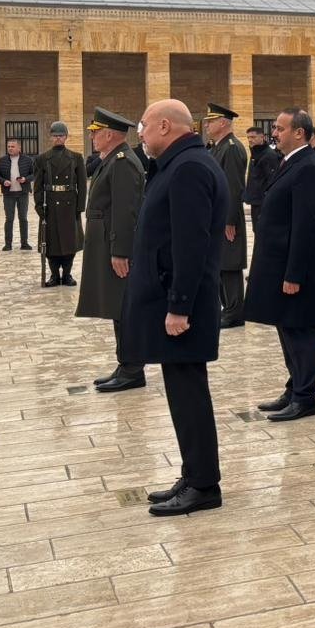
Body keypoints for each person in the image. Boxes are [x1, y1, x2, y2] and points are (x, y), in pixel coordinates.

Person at [127, 98, 229, 517]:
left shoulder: (188, 168)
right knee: (182, 392)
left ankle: (204, 485)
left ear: (165, 126)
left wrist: (179, 306)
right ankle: (193, 472)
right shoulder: (181, 163)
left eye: (145, 127)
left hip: (183, 305)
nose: (142, 135)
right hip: (174, 300)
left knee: (189, 395)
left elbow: (191, 245)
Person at [248, 108, 315, 423]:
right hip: (279, 265)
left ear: (299, 132)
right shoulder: (290, 162)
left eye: (280, 128)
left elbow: (306, 226)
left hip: (296, 269)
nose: (274, 133)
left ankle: (306, 396)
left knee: (300, 331)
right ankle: (294, 386)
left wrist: (294, 274)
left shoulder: (307, 167)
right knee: (287, 327)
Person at [77, 109, 147, 393]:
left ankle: (133, 370)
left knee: (124, 307)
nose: (92, 136)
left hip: (114, 246)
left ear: (110, 134)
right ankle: (125, 363)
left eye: (95, 131)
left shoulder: (122, 162)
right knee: (118, 307)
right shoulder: (112, 160)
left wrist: (120, 251)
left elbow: (125, 211)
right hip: (105, 243)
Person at [203, 103, 249, 328]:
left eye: (211, 121)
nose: (207, 125)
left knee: (229, 265)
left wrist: (229, 220)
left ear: (223, 123)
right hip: (218, 216)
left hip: (227, 217)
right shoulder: (218, 147)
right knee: (222, 263)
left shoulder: (230, 147)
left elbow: (233, 187)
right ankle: (228, 308)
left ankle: (234, 311)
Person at [33, 120, 87, 286]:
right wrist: (38, 205)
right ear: (51, 137)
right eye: (55, 136)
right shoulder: (43, 159)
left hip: (69, 204)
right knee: (51, 243)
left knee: (69, 242)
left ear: (66, 137)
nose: (58, 138)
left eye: (61, 135)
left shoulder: (76, 158)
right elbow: (38, 185)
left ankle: (68, 274)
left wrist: (79, 207)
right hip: (50, 203)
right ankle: (54, 275)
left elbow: (82, 184)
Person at [0, 137, 34, 251]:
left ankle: (24, 243)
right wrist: (3, 181)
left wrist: (25, 179)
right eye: (8, 147)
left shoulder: (27, 160)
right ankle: (8, 244)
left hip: (23, 193)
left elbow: (34, 174)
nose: (10, 149)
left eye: (13, 146)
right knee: (9, 219)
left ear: (19, 147)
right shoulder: (1, 161)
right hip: (8, 194)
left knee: (23, 218)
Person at [243, 125, 282, 236]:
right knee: (257, 232)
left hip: (263, 203)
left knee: (263, 234)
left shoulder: (268, 155)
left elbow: (272, 181)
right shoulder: (256, 153)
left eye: (253, 137)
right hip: (255, 201)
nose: (250, 140)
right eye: (248, 137)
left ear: (262, 137)